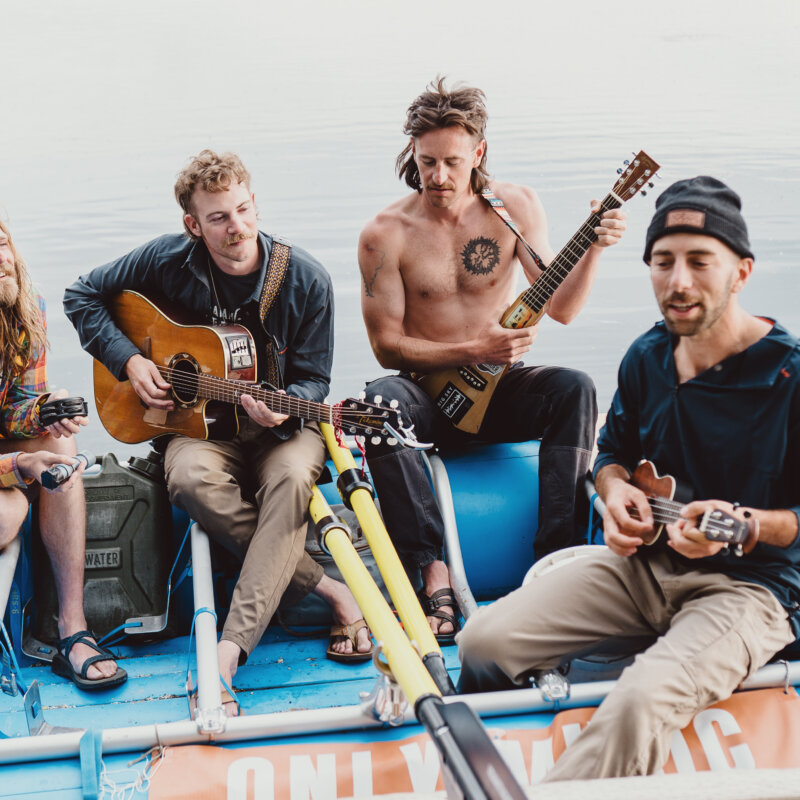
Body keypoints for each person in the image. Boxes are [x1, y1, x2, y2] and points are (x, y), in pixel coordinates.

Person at [457, 176, 800, 780]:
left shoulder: (789, 378)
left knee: (638, 704)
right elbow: (610, 456)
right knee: (481, 642)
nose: (679, 281)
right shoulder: (646, 357)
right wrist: (615, 498)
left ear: (742, 271)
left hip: (752, 590)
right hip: (645, 567)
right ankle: (473, 768)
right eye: (663, 262)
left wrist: (742, 524)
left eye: (700, 261)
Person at [64, 150, 372, 714]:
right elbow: (81, 294)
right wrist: (130, 362)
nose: (237, 228)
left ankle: (229, 651)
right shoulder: (164, 260)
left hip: (283, 430)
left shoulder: (305, 280)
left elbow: (312, 381)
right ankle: (331, 590)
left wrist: (286, 409)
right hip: (195, 427)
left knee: (291, 483)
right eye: (219, 218)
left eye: (244, 209)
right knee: (187, 481)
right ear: (192, 225)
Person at [357, 78, 626, 642]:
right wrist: (472, 348)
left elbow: (565, 309)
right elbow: (386, 345)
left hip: (497, 389)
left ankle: (557, 565)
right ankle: (433, 575)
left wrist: (596, 246)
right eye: (427, 161)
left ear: (478, 153)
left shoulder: (514, 208)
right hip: (426, 394)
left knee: (574, 387)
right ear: (413, 154)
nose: (439, 177)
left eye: (452, 162)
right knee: (379, 400)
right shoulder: (386, 234)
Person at [0, 218, 126, 690]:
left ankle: (71, 627)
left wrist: (42, 414)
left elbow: (11, 412)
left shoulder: (23, 307)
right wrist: (20, 467)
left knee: (61, 446)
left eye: (3, 244)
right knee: (6, 514)